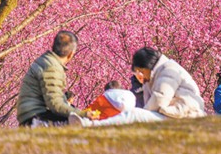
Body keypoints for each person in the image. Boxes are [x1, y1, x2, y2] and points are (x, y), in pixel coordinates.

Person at [70, 47, 206, 126]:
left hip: (186, 116)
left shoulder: (168, 70)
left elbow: (160, 98)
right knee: (132, 114)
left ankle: (92, 125)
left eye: (139, 71)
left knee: (135, 115)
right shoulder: (152, 78)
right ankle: (91, 124)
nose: (139, 75)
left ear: (146, 67)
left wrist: (143, 114)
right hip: (175, 115)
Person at [17, 30, 92, 127]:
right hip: (34, 115)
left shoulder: (46, 61)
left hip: (29, 112)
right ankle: (39, 125)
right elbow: (55, 104)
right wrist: (83, 114)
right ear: (71, 54)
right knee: (81, 122)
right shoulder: (52, 67)